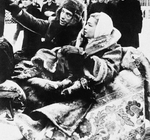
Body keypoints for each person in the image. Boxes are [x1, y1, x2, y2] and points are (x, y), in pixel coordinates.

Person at [13, 12, 150, 140]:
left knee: (59, 112)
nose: (85, 28)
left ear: (100, 29)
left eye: (90, 25)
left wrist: (84, 58)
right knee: (34, 91)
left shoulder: (112, 49)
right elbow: (61, 56)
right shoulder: (79, 42)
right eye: (86, 24)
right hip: (68, 83)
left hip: (88, 90)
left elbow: (107, 70)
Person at [13, 0, 43, 64]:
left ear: (31, 0)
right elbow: (19, 26)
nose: (24, 2)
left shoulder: (36, 10)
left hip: (35, 36)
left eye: (26, 0)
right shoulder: (24, 11)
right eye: (23, 0)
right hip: (27, 35)